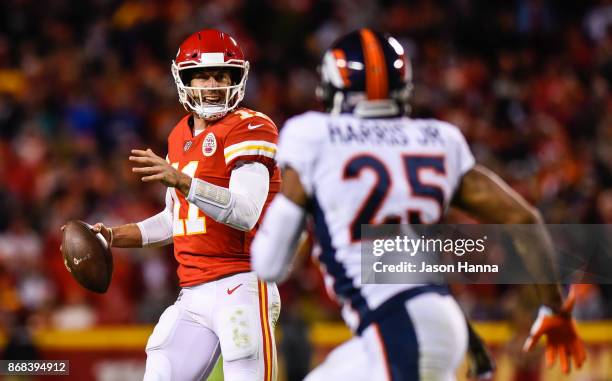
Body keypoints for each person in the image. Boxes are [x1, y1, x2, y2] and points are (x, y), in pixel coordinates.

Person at [251, 28, 585, 380]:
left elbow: (269, 263)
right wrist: (555, 309)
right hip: (424, 318)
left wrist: (298, 211)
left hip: (400, 325)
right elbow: (524, 219)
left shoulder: (312, 136)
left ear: (334, 88)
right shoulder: (438, 138)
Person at [87, 29, 281, 381]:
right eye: (202, 75)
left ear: (236, 78)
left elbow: (245, 212)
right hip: (192, 293)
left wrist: (183, 181)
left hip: (242, 284)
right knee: (160, 371)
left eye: (221, 75)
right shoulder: (179, 136)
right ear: (184, 80)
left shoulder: (250, 126)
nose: (211, 84)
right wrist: (111, 236)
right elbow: (174, 219)